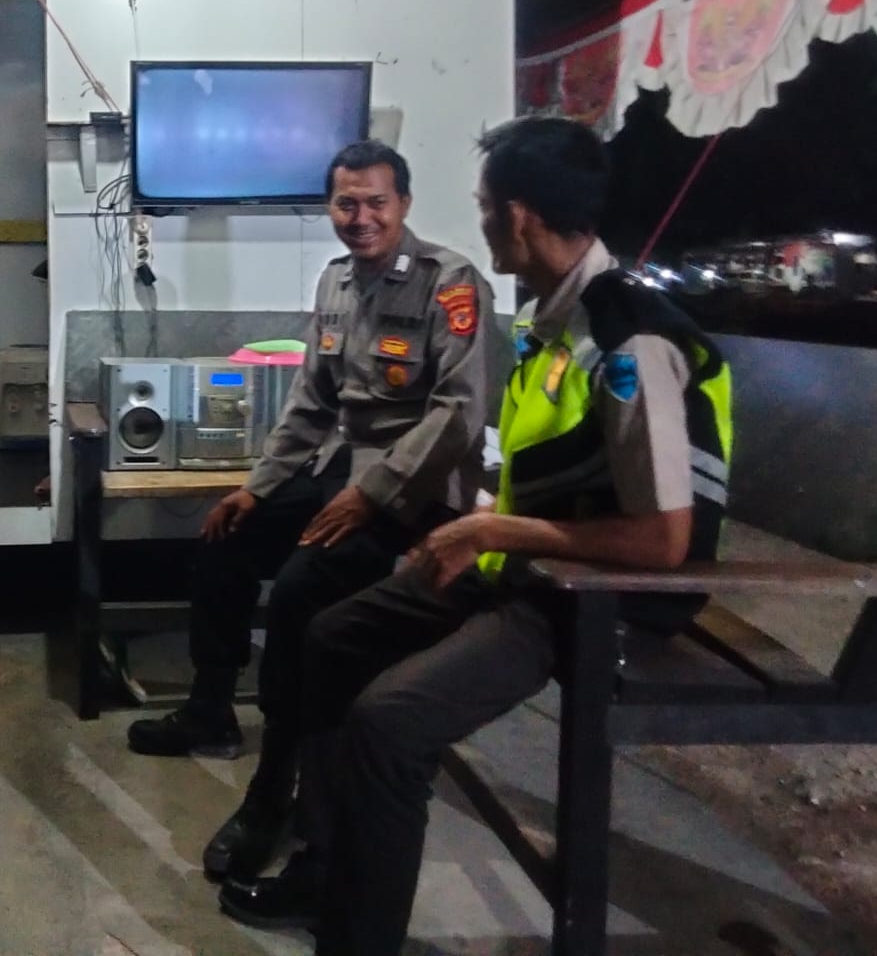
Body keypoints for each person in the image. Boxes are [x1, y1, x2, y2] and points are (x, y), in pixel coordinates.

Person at [220, 116, 734, 955]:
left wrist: (488, 524)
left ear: (519, 216)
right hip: (528, 563)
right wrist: (488, 528)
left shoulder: (627, 340)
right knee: (330, 636)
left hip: (597, 598)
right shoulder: (556, 321)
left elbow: (663, 541)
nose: (483, 222)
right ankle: (317, 857)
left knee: (389, 722)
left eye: (488, 207)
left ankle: (357, 936)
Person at [127, 140, 495, 883]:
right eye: (345, 203)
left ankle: (273, 790)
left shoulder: (450, 283)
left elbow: (459, 413)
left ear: (404, 204)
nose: (360, 218)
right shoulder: (336, 281)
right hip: (339, 474)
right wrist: (258, 487)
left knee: (299, 594)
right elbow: (312, 402)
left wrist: (374, 492)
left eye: (376, 203)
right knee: (224, 536)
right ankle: (210, 709)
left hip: (414, 492)